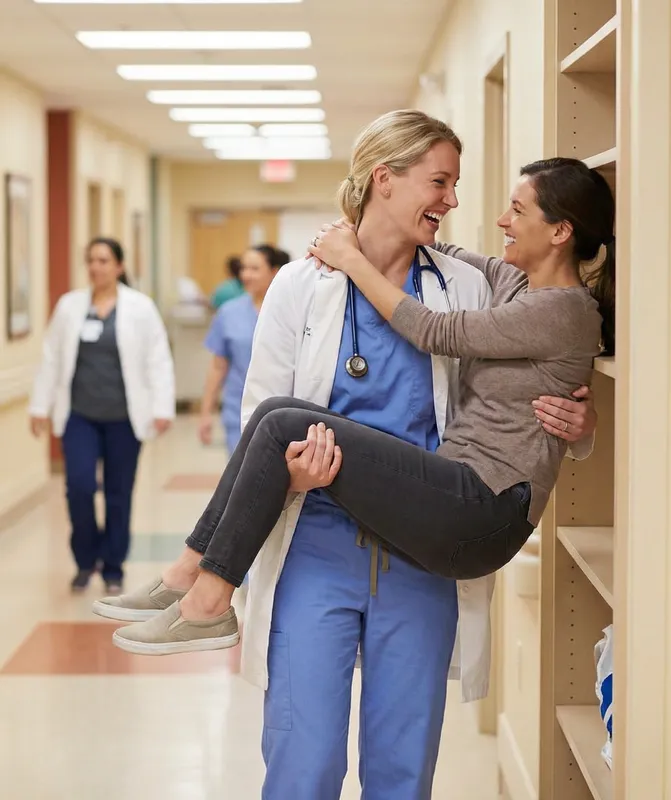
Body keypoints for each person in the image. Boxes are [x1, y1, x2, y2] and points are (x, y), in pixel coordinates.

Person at [94, 112, 597, 799]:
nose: (453, 200)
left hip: (419, 561)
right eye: (440, 181)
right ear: (383, 181)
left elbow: (529, 384)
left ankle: (196, 584)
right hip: (317, 547)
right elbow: (260, 415)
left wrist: (581, 419)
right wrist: (292, 476)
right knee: (304, 766)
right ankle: (202, 584)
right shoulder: (302, 285)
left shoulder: (464, 286)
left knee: (400, 772)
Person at [29, 237, 175, 595]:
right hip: (79, 416)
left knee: (118, 493)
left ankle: (112, 566)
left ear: (119, 267)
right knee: (78, 487)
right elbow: (51, 357)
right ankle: (84, 560)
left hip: (125, 417)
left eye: (104, 260)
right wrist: (39, 405)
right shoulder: (70, 307)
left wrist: (162, 407)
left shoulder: (141, 308)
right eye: (91, 260)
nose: (96, 267)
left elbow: (158, 358)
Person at [199, 245, 290, 455]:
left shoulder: (290, 311)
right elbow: (218, 367)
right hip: (237, 411)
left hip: (283, 410)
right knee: (241, 480)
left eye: (254, 269)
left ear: (275, 271)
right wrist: (206, 413)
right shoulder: (229, 313)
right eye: (244, 268)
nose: (246, 275)